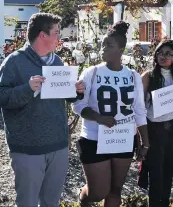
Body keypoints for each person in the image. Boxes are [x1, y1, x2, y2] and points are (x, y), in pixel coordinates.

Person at [0, 13, 85, 207]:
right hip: (27, 148)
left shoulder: (57, 62)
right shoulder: (13, 62)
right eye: (56, 33)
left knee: (51, 203)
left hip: (58, 146)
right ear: (42, 35)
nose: (60, 38)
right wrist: (27, 89)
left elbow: (63, 96)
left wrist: (75, 91)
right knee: (27, 203)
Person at [72, 21, 149, 207]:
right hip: (94, 138)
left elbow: (139, 110)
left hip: (123, 137)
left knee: (115, 190)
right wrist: (100, 118)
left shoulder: (133, 76)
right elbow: (78, 105)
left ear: (121, 49)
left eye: (109, 45)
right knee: (98, 192)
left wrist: (145, 142)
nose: (103, 48)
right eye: (103, 44)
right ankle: (83, 198)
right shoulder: (92, 72)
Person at [138, 39, 173, 207]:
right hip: (154, 130)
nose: (163, 57)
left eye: (168, 54)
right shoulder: (148, 76)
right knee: (155, 176)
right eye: (160, 53)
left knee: (168, 174)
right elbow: (138, 107)